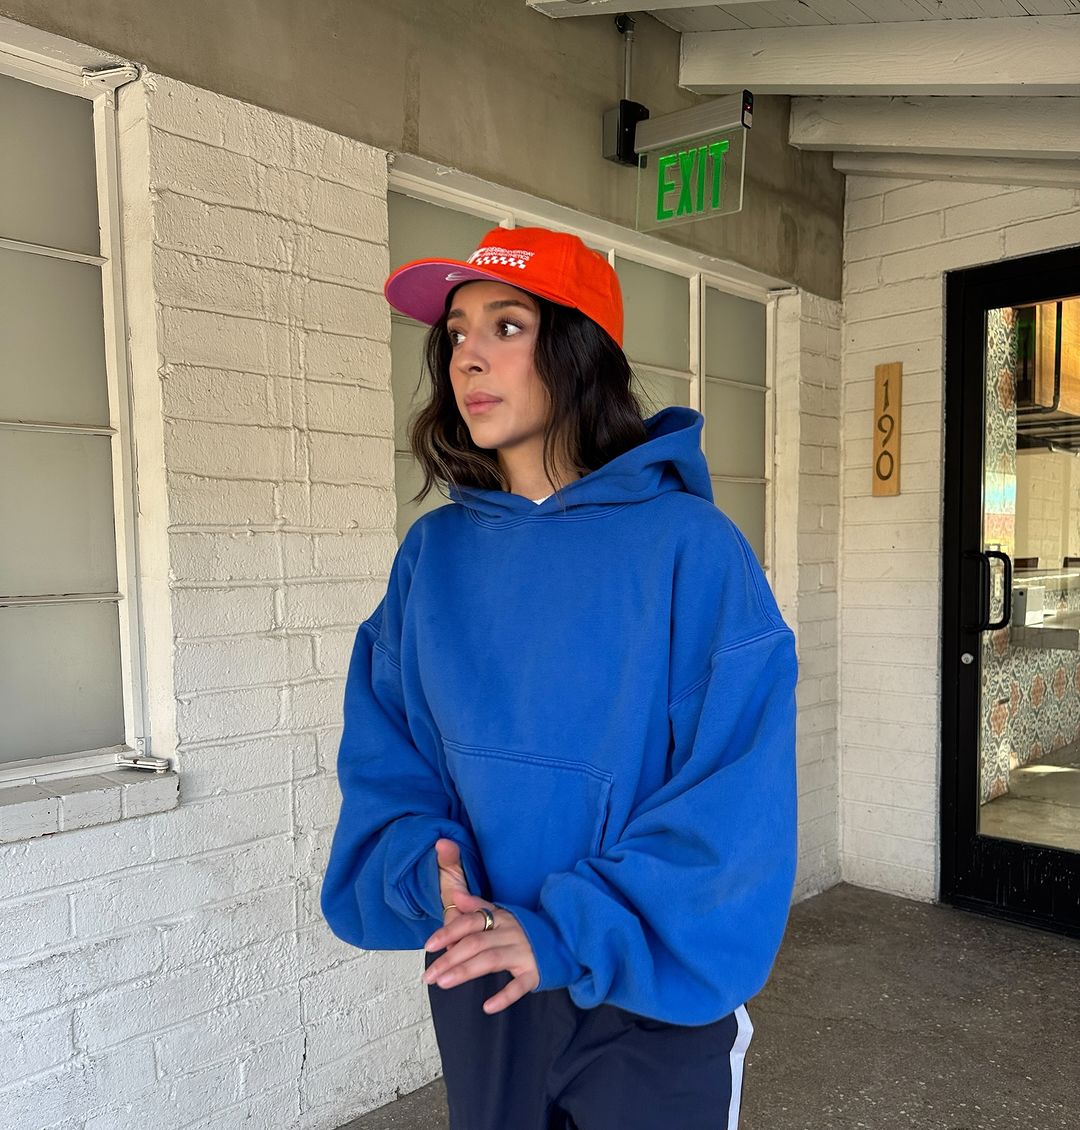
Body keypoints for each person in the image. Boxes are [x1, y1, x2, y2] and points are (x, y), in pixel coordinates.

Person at [320, 225, 798, 1130]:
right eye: (456, 333)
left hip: (650, 991)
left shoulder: (692, 550)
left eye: (507, 326)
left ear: (581, 353)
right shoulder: (433, 556)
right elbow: (389, 754)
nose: (467, 357)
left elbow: (735, 802)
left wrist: (567, 932)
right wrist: (426, 865)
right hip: (485, 981)